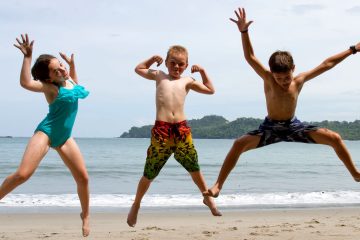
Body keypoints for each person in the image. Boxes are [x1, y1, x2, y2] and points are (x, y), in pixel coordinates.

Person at [205, 8, 360, 198]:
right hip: (270, 127)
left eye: (286, 77)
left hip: (293, 126)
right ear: (272, 74)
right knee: (239, 144)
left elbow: (327, 64)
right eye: (279, 78)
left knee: (335, 138)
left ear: (293, 69)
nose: (284, 81)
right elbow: (250, 57)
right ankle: (218, 185)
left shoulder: (299, 80)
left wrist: (353, 49)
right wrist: (244, 32)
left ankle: (355, 174)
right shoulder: (268, 79)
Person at [0, 34, 90, 237]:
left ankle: (85, 215)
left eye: (61, 65)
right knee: (23, 174)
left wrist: (72, 65)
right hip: (47, 132)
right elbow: (25, 83)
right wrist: (27, 57)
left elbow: (75, 83)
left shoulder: (69, 82)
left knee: (83, 178)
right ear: (48, 78)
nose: (61, 69)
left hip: (65, 137)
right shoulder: (50, 88)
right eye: (55, 69)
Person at [127, 45, 222, 227]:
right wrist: (151, 60)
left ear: (186, 66)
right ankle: (136, 204)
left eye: (181, 64)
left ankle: (207, 198)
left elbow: (210, 90)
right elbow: (138, 69)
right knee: (149, 172)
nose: (176, 67)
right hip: (161, 131)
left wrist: (202, 71)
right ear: (167, 62)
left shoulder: (187, 80)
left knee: (194, 168)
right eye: (173, 63)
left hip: (181, 130)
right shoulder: (159, 75)